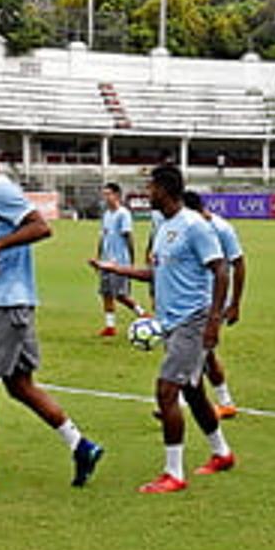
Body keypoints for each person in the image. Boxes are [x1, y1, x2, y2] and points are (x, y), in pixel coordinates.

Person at [0, 131, 103, 497]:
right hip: (3, 299)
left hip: (4, 302)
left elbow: (41, 227)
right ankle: (81, 445)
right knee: (20, 386)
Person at [92, 163, 233, 495]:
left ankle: (174, 473)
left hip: (193, 321)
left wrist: (214, 322)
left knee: (166, 391)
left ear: (167, 190)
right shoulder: (164, 226)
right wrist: (117, 268)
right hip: (172, 323)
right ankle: (222, 453)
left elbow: (221, 271)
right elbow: (158, 273)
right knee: (193, 391)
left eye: (151, 187)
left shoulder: (194, 226)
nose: (146, 193)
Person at [185, 189, 247, 417]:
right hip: (196, 298)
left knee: (197, 353)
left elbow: (239, 264)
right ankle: (225, 402)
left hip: (217, 299)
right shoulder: (191, 228)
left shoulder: (222, 229)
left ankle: (179, 401)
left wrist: (235, 304)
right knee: (206, 354)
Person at [94, 182, 142, 337]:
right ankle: (110, 326)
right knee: (106, 293)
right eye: (104, 194)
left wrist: (131, 260)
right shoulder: (106, 214)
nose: (105, 197)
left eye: (108, 194)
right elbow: (103, 236)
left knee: (120, 294)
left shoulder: (123, 214)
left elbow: (128, 236)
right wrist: (98, 257)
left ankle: (142, 313)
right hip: (106, 260)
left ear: (117, 195)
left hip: (120, 261)